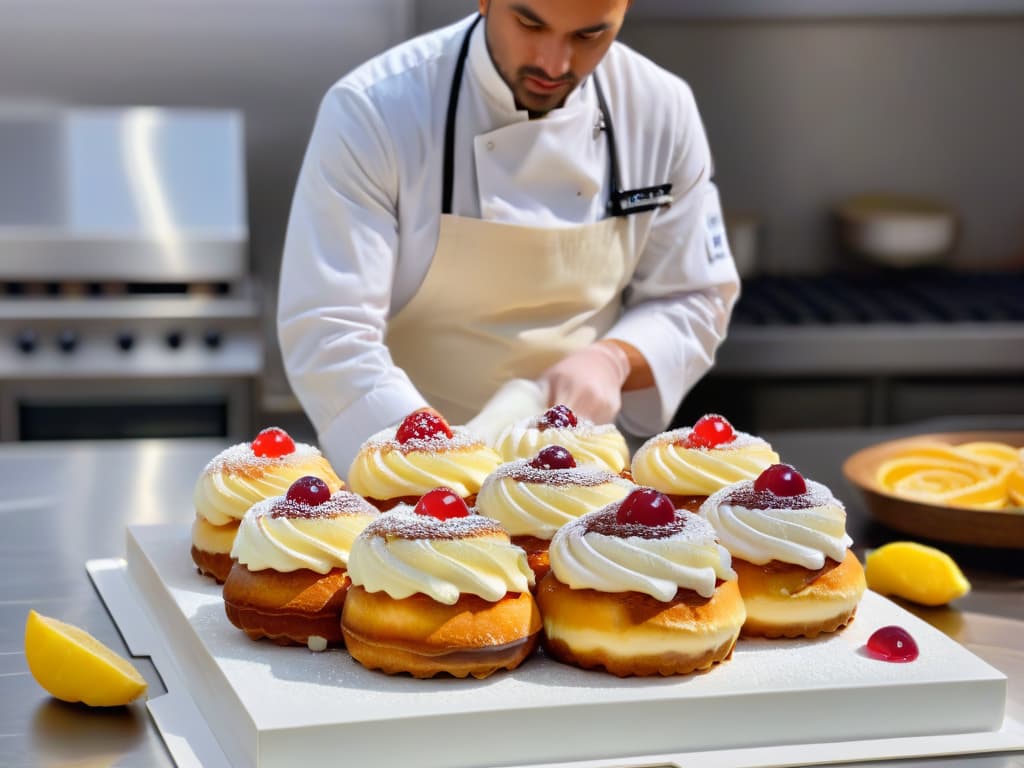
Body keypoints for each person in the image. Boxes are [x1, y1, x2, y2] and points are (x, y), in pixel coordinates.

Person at [278, 0, 740, 472]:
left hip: (582, 482)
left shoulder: (659, 109)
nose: (554, 63)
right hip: (405, 478)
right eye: (529, 23)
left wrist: (614, 360)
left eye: (588, 36)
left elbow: (695, 296)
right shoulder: (376, 111)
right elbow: (329, 331)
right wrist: (438, 464)